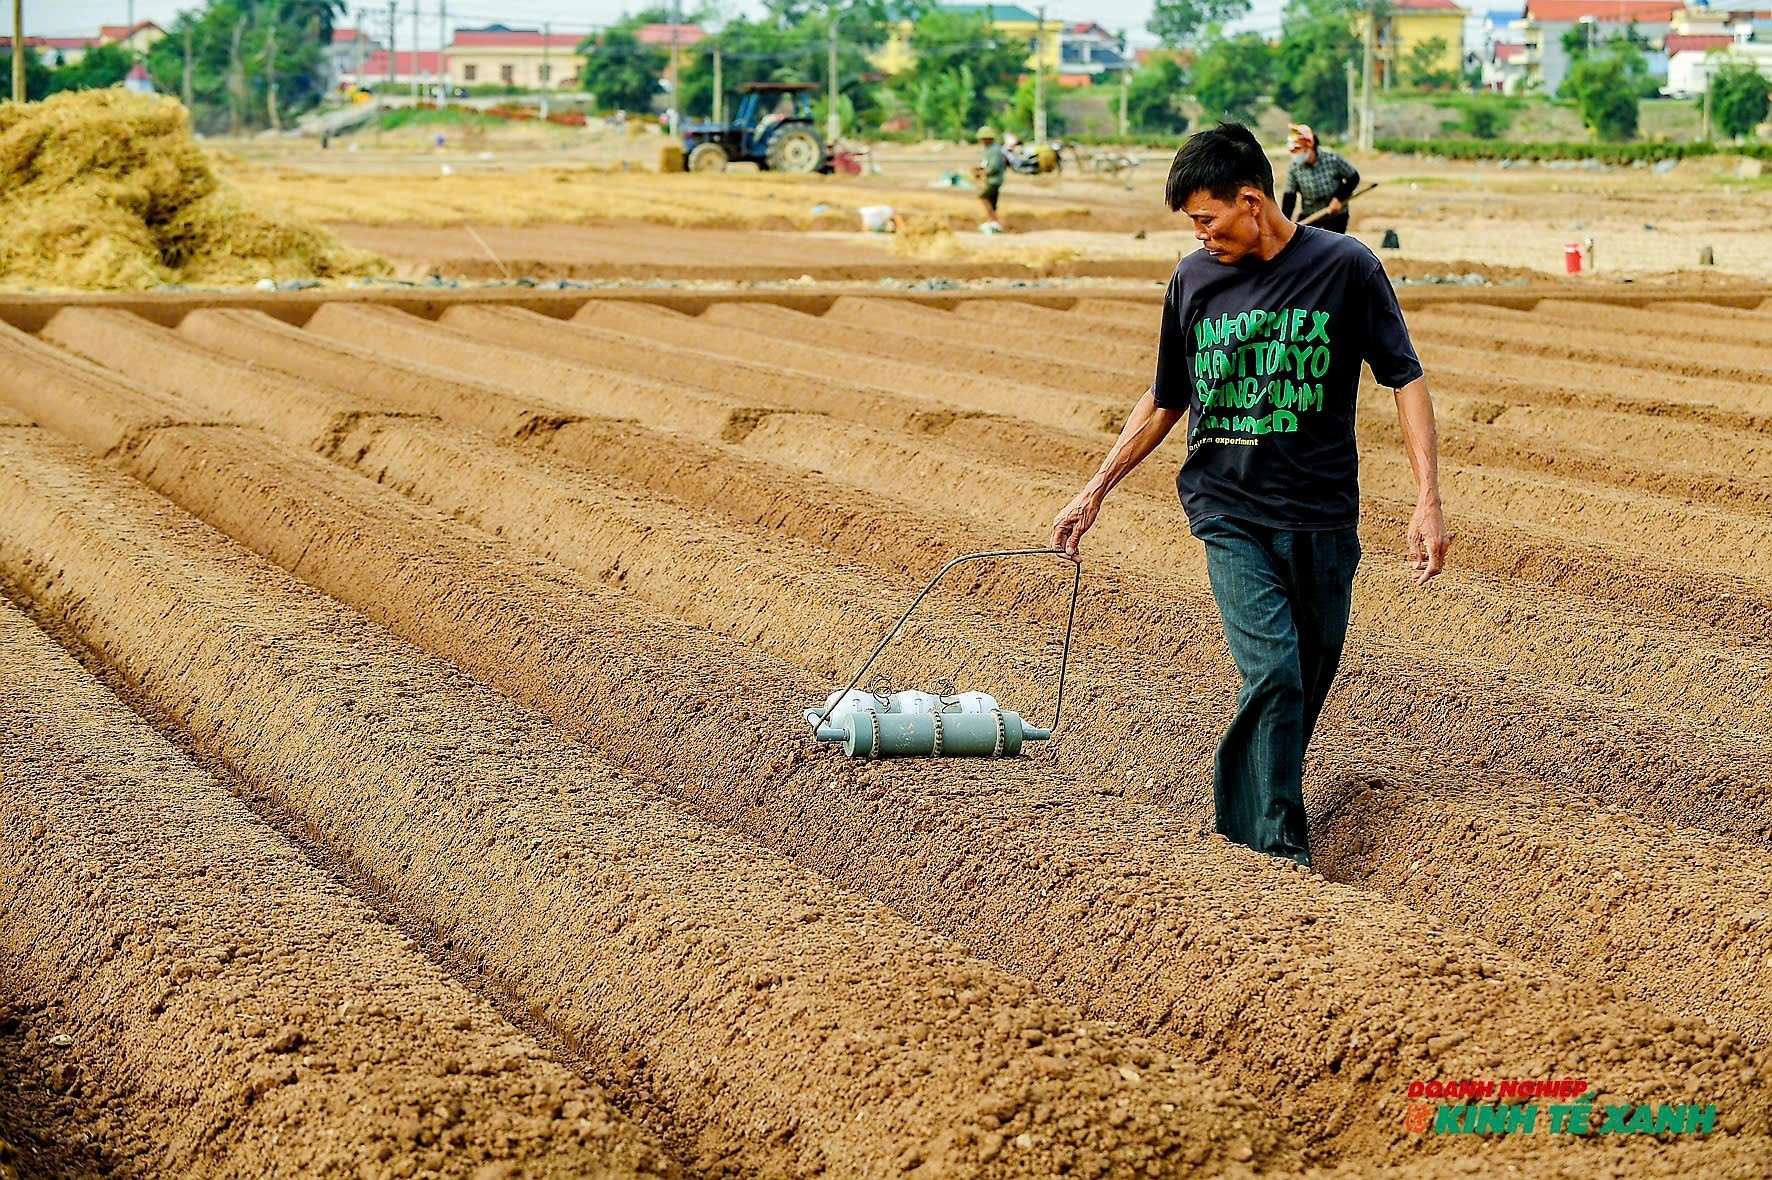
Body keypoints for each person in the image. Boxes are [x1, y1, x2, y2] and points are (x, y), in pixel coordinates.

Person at [1051, 121, 1449, 868]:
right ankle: (1272, 849)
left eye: (1207, 218)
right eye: (1192, 225)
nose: (1200, 235)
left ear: (1250, 201)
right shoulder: (1194, 280)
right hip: (1227, 509)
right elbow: (1166, 397)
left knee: (1304, 681)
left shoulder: (1346, 267)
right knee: (1272, 671)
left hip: (1322, 513)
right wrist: (1094, 490)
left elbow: (1404, 377)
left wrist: (1427, 498)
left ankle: (1245, 833)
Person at [1281, 124, 1359, 234]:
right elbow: (1289, 197)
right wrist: (1284, 224)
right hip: (1310, 215)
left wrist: (1338, 198)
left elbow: (1353, 178)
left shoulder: (1332, 160)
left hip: (1336, 215)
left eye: (1298, 149)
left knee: (1333, 243)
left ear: (1310, 145)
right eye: (1292, 151)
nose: (1295, 154)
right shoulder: (1293, 168)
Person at [974, 125, 1007, 233]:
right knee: (992, 202)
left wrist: (983, 173)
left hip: (994, 180)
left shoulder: (994, 150)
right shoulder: (990, 149)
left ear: (988, 139)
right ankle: (992, 222)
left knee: (984, 197)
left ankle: (994, 220)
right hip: (992, 180)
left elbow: (994, 167)